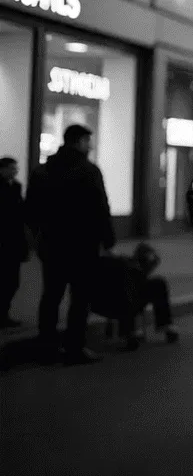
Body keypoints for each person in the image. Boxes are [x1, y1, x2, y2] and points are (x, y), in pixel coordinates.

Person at [26, 125, 115, 365]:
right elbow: (100, 208)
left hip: (51, 244)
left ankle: (46, 346)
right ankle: (74, 347)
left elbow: (31, 209)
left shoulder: (43, 171)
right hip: (82, 246)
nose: (91, 146)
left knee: (51, 295)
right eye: (88, 141)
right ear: (80, 142)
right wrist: (108, 240)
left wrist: (36, 238)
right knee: (80, 298)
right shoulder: (88, 171)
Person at [0, 157, 30, 328]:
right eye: (12, 168)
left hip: (13, 239)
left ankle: (4, 313)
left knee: (11, 280)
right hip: (4, 239)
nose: (15, 171)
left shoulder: (16, 187)